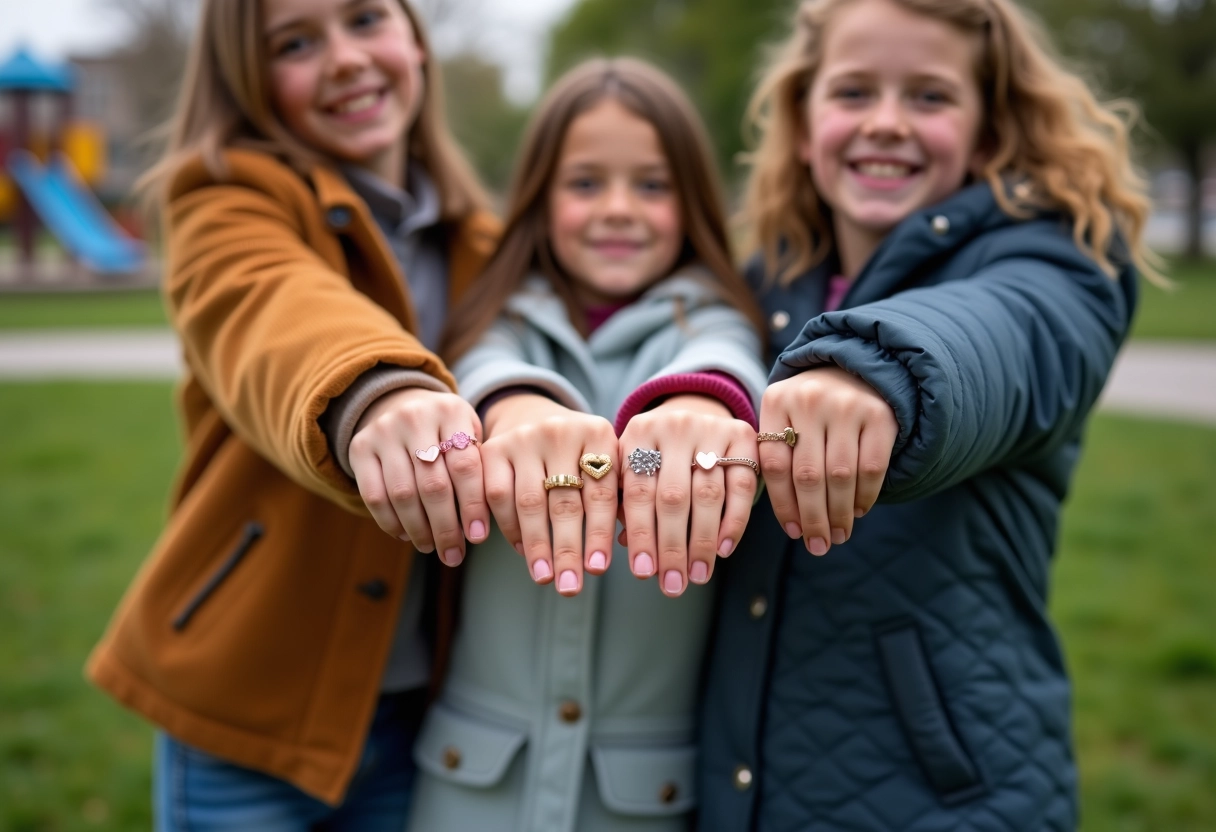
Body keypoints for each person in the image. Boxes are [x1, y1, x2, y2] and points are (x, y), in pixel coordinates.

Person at [696, 0, 1161, 829]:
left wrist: (870, 371)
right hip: (743, 785)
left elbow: (1005, 333)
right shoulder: (763, 283)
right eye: (852, 92)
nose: (886, 123)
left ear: (987, 133)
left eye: (930, 97)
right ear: (804, 126)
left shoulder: (1056, 259)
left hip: (951, 795)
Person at [85, 0, 500, 828]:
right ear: (247, 75)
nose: (344, 58)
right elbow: (270, 307)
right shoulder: (224, 197)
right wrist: (378, 392)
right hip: (250, 707)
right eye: (296, 42)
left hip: (432, 712)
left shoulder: (485, 240)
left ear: (415, 37)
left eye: (366, 18)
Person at [403, 58, 769, 832]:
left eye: (651, 184)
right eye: (584, 183)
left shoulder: (711, 322)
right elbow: (482, 371)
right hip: (469, 790)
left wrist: (699, 406)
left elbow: (724, 360)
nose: (617, 209)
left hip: (642, 803)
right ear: (538, 196)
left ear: (693, 200)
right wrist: (516, 407)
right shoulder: (494, 320)